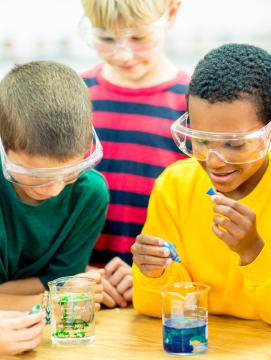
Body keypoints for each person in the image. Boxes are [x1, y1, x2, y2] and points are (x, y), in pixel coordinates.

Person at [131, 43, 271, 325]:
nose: (215, 161)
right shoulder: (174, 185)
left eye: (235, 144)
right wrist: (153, 272)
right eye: (201, 141)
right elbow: (152, 305)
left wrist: (252, 251)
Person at [80, 0, 188, 308]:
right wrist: (76, 272)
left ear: (171, 13)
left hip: (160, 294)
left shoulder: (194, 106)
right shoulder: (75, 96)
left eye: (139, 38)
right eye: (106, 38)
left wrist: (152, 275)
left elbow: (196, 211)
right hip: (84, 291)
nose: (123, 54)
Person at [0, 61, 106, 311]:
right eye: (35, 175)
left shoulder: (88, 193)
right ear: (4, 147)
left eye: (69, 173)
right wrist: (55, 297)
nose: (53, 190)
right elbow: (63, 289)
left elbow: (60, 281)